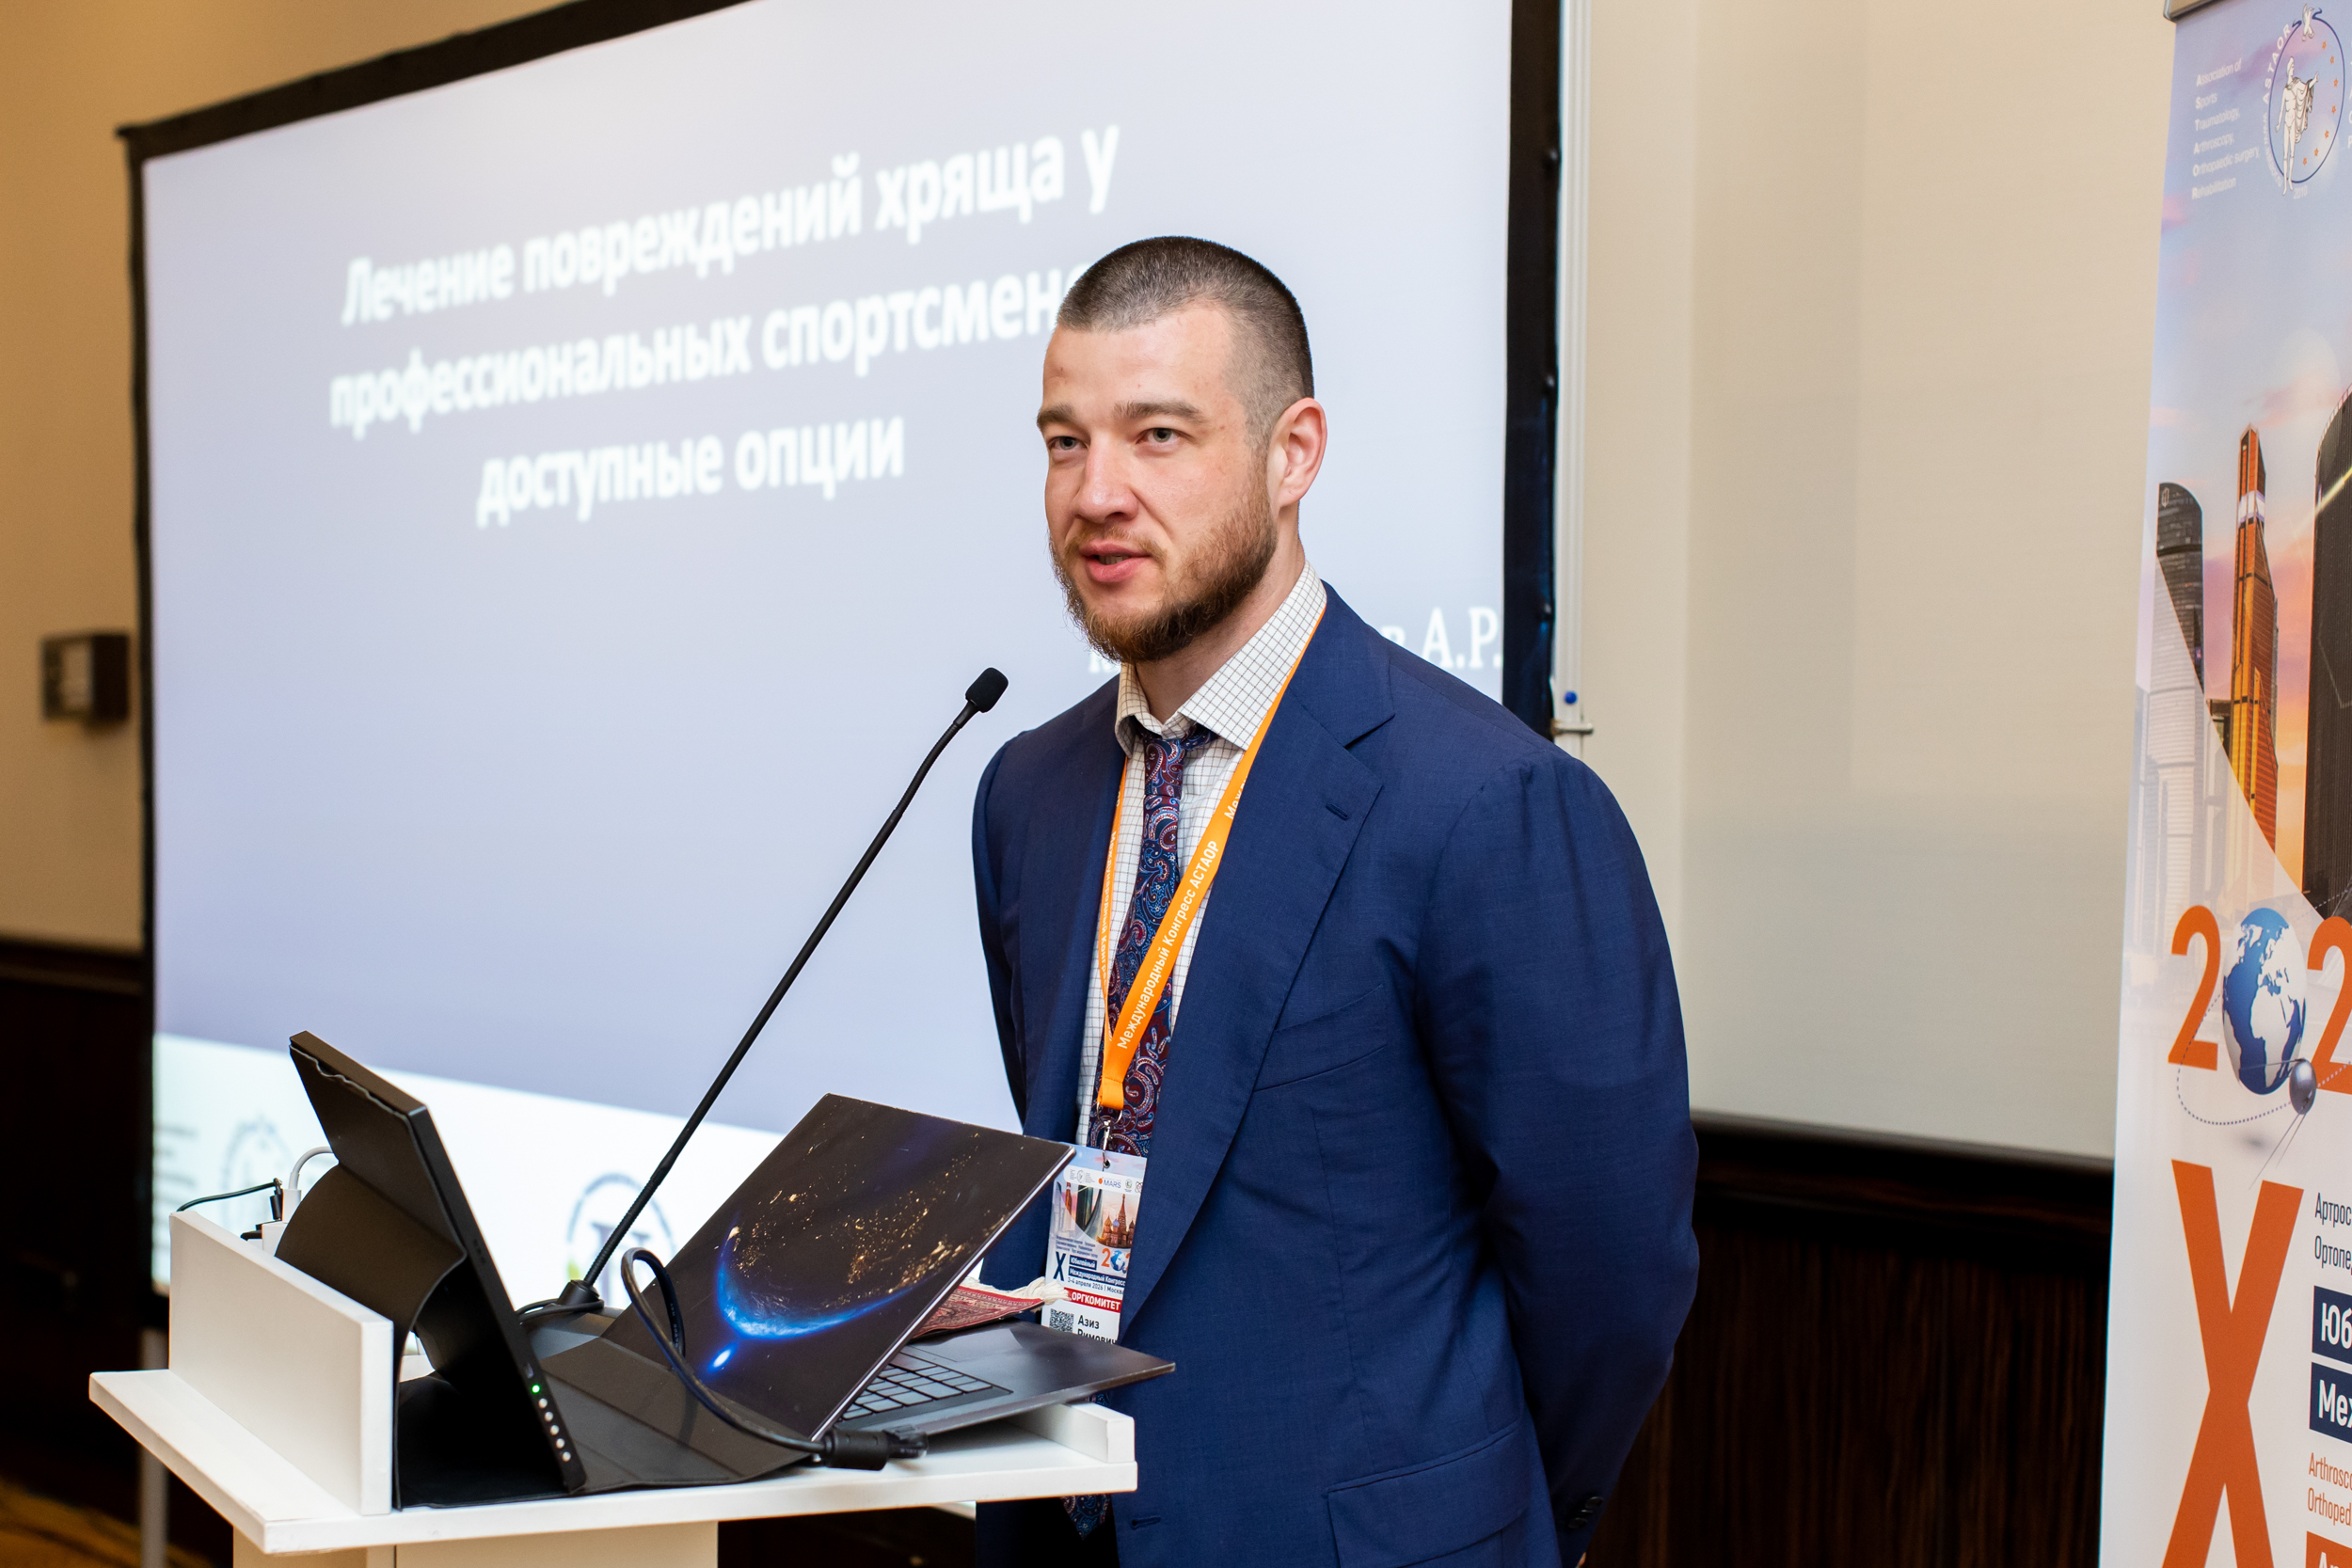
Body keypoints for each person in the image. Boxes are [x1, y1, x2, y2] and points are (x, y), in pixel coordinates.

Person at [970, 236, 1696, 1568]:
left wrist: (1483, 1515)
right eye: (1066, 443)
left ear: (1293, 454)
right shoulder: (1029, 790)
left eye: (1159, 435)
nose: (1097, 493)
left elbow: (1611, 1275)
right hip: (1058, 1526)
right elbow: (1086, 1149)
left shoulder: (1487, 802)